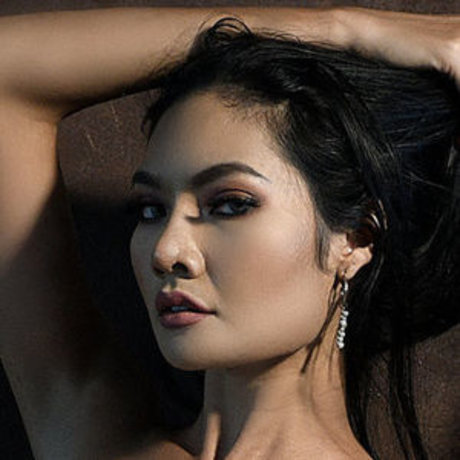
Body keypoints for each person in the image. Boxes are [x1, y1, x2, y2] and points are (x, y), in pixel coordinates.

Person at [0, 6, 459, 459]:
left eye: (230, 204)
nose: (166, 250)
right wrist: (342, 28)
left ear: (356, 239)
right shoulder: (94, 436)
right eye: (151, 209)